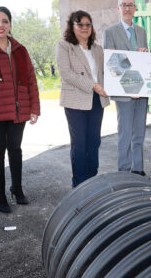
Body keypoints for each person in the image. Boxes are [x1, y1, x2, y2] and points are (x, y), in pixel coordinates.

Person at [0, 6, 40, 213]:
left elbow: (31, 80)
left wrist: (34, 107)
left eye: (5, 21)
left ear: (10, 25)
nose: (0, 25)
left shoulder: (20, 50)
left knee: (15, 151)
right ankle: (0, 195)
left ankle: (17, 189)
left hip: (18, 112)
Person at [56, 10, 109, 188]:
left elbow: (109, 71)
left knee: (94, 141)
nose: (84, 28)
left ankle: (92, 178)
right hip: (76, 99)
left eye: (88, 24)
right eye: (80, 24)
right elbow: (66, 74)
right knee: (79, 143)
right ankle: (79, 183)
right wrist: (93, 85)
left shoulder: (97, 48)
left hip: (97, 99)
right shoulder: (64, 46)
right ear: (72, 26)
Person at [103, 0, 148, 176]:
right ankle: (123, 171)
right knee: (125, 134)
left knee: (139, 133)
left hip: (141, 91)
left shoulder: (141, 31)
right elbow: (111, 63)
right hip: (124, 92)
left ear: (135, 8)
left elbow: (144, 63)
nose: (127, 8)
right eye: (124, 5)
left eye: (130, 5)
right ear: (118, 8)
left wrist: (144, 54)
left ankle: (137, 169)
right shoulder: (110, 32)